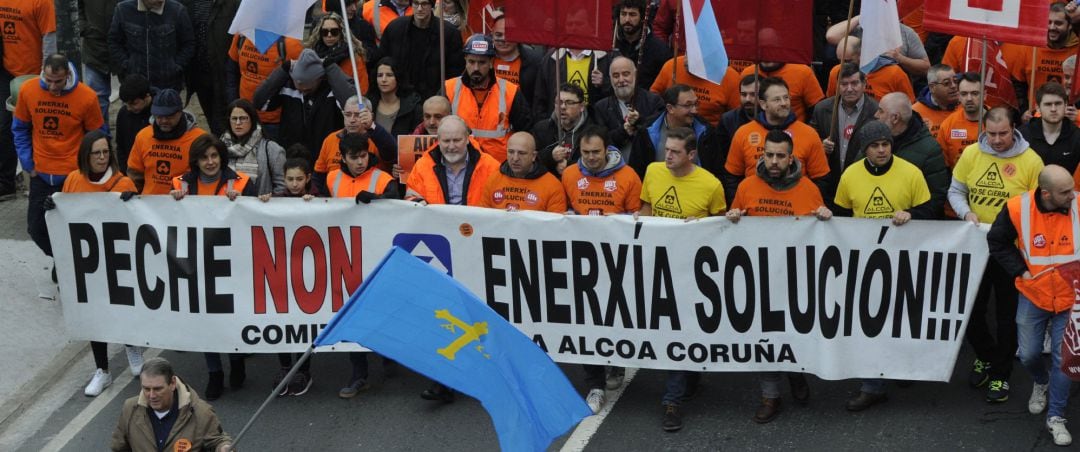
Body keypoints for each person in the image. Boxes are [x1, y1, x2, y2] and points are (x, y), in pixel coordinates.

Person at [726, 130, 829, 423]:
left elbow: (821, 237)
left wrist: (824, 218)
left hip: (796, 280)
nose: (773, 161)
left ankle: (796, 374)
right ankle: (770, 395)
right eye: (768, 154)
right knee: (764, 338)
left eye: (780, 155)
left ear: (791, 157)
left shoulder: (809, 189)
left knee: (794, 334)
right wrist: (733, 218)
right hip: (759, 280)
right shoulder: (747, 186)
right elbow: (733, 233)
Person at [834, 121, 933, 411]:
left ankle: (902, 367)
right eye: (875, 146)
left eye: (885, 144)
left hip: (904, 259)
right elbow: (840, 215)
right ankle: (872, 386)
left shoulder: (911, 173)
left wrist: (912, 214)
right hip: (864, 262)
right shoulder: (850, 175)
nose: (881, 150)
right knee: (868, 323)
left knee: (902, 319)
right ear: (864, 149)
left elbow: (930, 211)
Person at [949, 107, 1044, 404]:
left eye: (1003, 133)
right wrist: (966, 213)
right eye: (991, 134)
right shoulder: (973, 154)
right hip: (976, 244)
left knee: (1006, 315)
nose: (997, 140)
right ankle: (986, 356)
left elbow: (1037, 206)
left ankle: (1001, 374)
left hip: (1010, 249)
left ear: (1014, 128)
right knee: (970, 310)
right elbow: (955, 190)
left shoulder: (1030, 160)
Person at [639, 127, 725, 431]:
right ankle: (684, 384)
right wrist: (642, 218)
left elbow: (721, 225)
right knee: (671, 328)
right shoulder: (653, 171)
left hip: (692, 271)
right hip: (657, 266)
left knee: (681, 327)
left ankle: (672, 400)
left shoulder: (710, 185)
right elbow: (647, 205)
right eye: (666, 150)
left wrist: (700, 225)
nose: (668, 157)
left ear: (692, 154)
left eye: (675, 152)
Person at [987, 164, 1077, 447]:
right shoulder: (1017, 208)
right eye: (1065, 193)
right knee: (1028, 355)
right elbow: (997, 241)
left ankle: (1056, 416)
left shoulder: (1077, 204)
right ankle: (1041, 381)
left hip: (1070, 298)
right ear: (1046, 194)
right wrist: (1020, 270)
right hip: (1033, 293)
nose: (1072, 196)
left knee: (1064, 361)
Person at [51, 130, 143, 397]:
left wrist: (132, 202)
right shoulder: (73, 180)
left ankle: (132, 345)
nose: (102, 158)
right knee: (95, 315)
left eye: (106, 152)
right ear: (86, 156)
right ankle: (102, 370)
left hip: (117, 259)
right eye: (97, 153)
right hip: (87, 261)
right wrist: (53, 207)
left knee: (124, 305)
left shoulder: (123, 183)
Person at [14, 54, 106, 262]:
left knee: (77, 229)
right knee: (36, 228)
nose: (53, 87)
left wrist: (86, 171)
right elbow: (19, 129)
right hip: (41, 174)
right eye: (48, 80)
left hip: (73, 176)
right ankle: (64, 262)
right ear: (43, 73)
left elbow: (98, 137)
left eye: (58, 81)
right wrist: (29, 164)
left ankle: (72, 267)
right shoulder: (28, 91)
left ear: (68, 76)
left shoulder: (87, 97)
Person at [725, 77, 830, 197]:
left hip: (796, 211)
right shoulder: (743, 133)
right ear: (763, 104)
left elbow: (821, 179)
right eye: (777, 99)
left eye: (786, 98)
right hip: (754, 210)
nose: (784, 103)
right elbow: (732, 178)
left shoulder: (809, 134)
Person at [110, 357, 234, 452]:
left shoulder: (201, 412)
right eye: (146, 389)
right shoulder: (130, 408)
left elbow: (218, 440)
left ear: (173, 383)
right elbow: (119, 447)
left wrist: (224, 447)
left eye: (158, 389)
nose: (152, 395)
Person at [253, 48, 354, 164]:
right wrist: (282, 70)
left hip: (324, 156)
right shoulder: (287, 85)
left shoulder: (333, 88)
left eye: (308, 89)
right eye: (299, 88)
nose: (303, 91)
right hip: (292, 157)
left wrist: (331, 67)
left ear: (319, 78)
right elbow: (259, 101)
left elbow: (351, 103)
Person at [0, 0, 56, 201]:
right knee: (5, 127)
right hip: (6, 71)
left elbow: (49, 37)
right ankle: (5, 184)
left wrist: (46, 76)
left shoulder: (41, 2)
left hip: (33, 74)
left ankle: (38, 180)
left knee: (35, 128)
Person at [445, 33, 531, 163]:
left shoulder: (510, 91)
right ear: (465, 60)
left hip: (498, 168)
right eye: (471, 62)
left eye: (482, 63)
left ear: (491, 63)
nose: (476, 68)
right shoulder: (449, 88)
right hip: (460, 165)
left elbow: (526, 132)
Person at [869, 93, 950, 218]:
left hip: (910, 228)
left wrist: (911, 215)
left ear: (895, 118)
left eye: (881, 111)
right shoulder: (870, 138)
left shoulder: (929, 149)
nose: (875, 115)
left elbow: (936, 198)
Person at [809, 63, 879, 206]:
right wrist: (820, 145)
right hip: (829, 186)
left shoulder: (876, 110)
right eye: (844, 84)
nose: (849, 89)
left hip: (863, 184)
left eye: (854, 83)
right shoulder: (822, 109)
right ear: (837, 85)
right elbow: (812, 139)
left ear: (864, 84)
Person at [378, 0, 465, 99]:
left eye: (424, 4)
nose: (419, 8)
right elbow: (383, 62)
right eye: (416, 3)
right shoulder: (395, 29)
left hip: (435, 99)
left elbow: (455, 73)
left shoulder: (448, 33)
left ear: (431, 5)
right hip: (400, 98)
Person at [405, 115, 499, 206]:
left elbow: (501, 202)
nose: (451, 146)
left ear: (467, 139)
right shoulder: (422, 167)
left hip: (476, 222)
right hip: (436, 221)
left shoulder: (490, 167)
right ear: (438, 141)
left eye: (457, 140)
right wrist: (418, 202)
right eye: (446, 141)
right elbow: (411, 196)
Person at [225, 33, 304, 141]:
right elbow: (231, 73)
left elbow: (302, 80)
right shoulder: (241, 36)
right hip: (244, 115)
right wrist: (234, 105)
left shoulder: (290, 44)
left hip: (274, 120)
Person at [127, 88, 206, 195]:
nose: (164, 120)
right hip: (149, 205)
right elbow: (135, 173)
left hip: (184, 204)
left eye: (169, 116)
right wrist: (132, 191)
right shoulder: (143, 136)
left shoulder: (199, 139)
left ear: (180, 112)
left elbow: (208, 177)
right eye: (159, 116)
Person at [313, 95, 396, 193]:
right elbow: (318, 177)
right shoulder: (331, 139)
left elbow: (392, 151)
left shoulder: (378, 138)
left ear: (370, 116)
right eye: (347, 114)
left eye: (357, 115)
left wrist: (372, 126)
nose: (352, 120)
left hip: (372, 203)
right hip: (338, 204)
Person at [180, 0, 239, 136]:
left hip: (223, 73)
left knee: (224, 122)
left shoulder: (233, 4)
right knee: (212, 120)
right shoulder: (188, 4)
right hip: (199, 74)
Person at [107, 0, 195, 92]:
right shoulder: (123, 10)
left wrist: (176, 66)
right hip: (135, 85)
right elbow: (114, 41)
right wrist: (126, 64)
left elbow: (188, 43)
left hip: (168, 85)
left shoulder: (177, 11)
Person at [629, 84, 714, 178]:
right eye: (688, 105)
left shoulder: (706, 131)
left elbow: (716, 171)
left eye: (695, 104)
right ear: (670, 108)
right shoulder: (646, 131)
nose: (694, 110)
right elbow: (636, 172)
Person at [593, 56, 665, 158]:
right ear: (610, 79)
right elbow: (601, 141)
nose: (621, 80)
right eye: (616, 76)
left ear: (635, 75)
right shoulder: (601, 107)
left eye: (626, 74)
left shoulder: (654, 101)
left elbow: (660, 134)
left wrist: (639, 121)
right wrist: (623, 131)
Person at [562, 125, 642, 215]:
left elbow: (636, 216)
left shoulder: (629, 176)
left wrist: (619, 219)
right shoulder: (569, 174)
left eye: (596, 152)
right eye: (586, 152)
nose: (591, 157)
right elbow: (563, 209)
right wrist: (570, 214)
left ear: (607, 150)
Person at [480, 131, 567, 212]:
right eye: (511, 152)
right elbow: (484, 218)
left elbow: (556, 226)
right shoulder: (493, 180)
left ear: (533, 156)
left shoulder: (552, 186)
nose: (515, 158)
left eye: (521, 153)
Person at [532, 83, 600, 176]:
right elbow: (529, 161)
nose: (563, 107)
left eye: (569, 102)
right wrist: (550, 157)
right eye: (559, 102)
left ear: (582, 106)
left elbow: (600, 162)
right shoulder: (541, 129)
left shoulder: (595, 131)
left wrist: (570, 165)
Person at [221, 99, 286, 196]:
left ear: (252, 119)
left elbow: (282, 187)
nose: (238, 123)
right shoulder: (219, 148)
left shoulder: (272, 149)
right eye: (234, 118)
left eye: (243, 118)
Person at [651, 57, 740, 125]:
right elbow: (653, 100)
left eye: (694, 56)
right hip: (671, 127)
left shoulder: (729, 77)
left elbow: (737, 117)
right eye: (687, 53)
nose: (686, 61)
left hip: (709, 137)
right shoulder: (671, 66)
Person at [826, 37, 915, 103]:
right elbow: (831, 103)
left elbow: (909, 106)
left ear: (862, 55)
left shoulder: (894, 73)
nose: (842, 66)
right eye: (839, 60)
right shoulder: (836, 71)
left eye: (847, 61)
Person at [1019, 82, 1080, 174]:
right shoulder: (1022, 135)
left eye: (1058, 103)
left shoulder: (1077, 137)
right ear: (1038, 108)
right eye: (1048, 104)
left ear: (1066, 105)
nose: (1053, 109)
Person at [612, 0, 672, 90]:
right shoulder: (611, 44)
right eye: (623, 14)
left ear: (643, 18)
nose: (627, 19)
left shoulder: (659, 50)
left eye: (632, 15)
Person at [739, 61, 824, 122]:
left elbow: (817, 110)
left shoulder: (803, 72)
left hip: (795, 136)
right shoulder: (747, 72)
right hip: (756, 135)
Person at [307, 12, 370, 94]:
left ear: (341, 32)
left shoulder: (353, 58)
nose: (329, 35)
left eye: (334, 31)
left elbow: (362, 90)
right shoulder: (313, 56)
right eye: (324, 32)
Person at [78, 0, 118, 127]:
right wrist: (84, 27)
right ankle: (100, 138)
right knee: (96, 99)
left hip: (123, 45)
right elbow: (76, 7)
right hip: (94, 47)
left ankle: (132, 140)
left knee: (133, 96)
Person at [326, 132, 398, 200]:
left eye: (363, 156)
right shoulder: (331, 178)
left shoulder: (384, 180)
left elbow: (396, 207)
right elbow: (323, 204)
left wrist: (377, 198)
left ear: (368, 153)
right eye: (354, 158)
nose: (360, 162)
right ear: (343, 159)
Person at [936, 73, 984, 168]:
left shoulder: (996, 122)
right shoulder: (948, 125)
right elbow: (941, 165)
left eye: (975, 93)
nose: (969, 99)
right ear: (958, 96)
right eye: (964, 94)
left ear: (984, 94)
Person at [491, 14, 542, 103]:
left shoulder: (534, 62)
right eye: (498, 35)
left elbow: (539, 98)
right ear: (492, 35)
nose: (503, 39)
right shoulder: (484, 58)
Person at [369, 57, 424, 137]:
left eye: (389, 75)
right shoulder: (368, 105)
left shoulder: (413, 108)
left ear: (398, 77)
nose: (383, 79)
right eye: (380, 75)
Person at [115, 75, 155, 173]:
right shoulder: (123, 113)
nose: (129, 108)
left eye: (134, 103)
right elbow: (120, 146)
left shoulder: (160, 116)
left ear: (147, 96)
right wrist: (125, 171)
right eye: (126, 104)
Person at [913, 64, 959, 138]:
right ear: (932, 87)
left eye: (955, 81)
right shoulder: (915, 113)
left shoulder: (965, 105)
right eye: (946, 83)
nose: (953, 86)